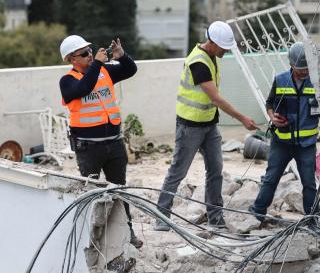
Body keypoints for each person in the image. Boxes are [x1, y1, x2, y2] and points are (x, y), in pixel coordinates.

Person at [154, 21, 258, 231]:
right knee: (177, 172)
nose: (226, 51)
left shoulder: (212, 56)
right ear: (212, 42)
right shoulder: (198, 62)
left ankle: (215, 218)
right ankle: (161, 217)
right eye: (224, 47)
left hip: (209, 124)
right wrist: (243, 119)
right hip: (190, 126)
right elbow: (216, 98)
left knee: (215, 171)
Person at [59, 35, 143, 249]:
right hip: (89, 148)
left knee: (119, 191)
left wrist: (121, 56)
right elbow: (83, 89)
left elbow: (130, 70)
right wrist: (96, 63)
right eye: (84, 54)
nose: (90, 55)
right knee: (92, 194)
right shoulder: (68, 81)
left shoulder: (105, 71)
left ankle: (127, 233)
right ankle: (92, 239)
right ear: (71, 59)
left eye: (90, 51)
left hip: (113, 145)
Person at [249, 42, 320, 221]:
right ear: (291, 64)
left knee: (309, 182)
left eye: (306, 68)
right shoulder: (280, 80)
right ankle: (258, 212)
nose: (304, 72)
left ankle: (312, 219)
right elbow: (270, 103)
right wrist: (272, 117)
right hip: (282, 142)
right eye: (300, 69)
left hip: (307, 144)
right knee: (271, 178)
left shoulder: (318, 81)